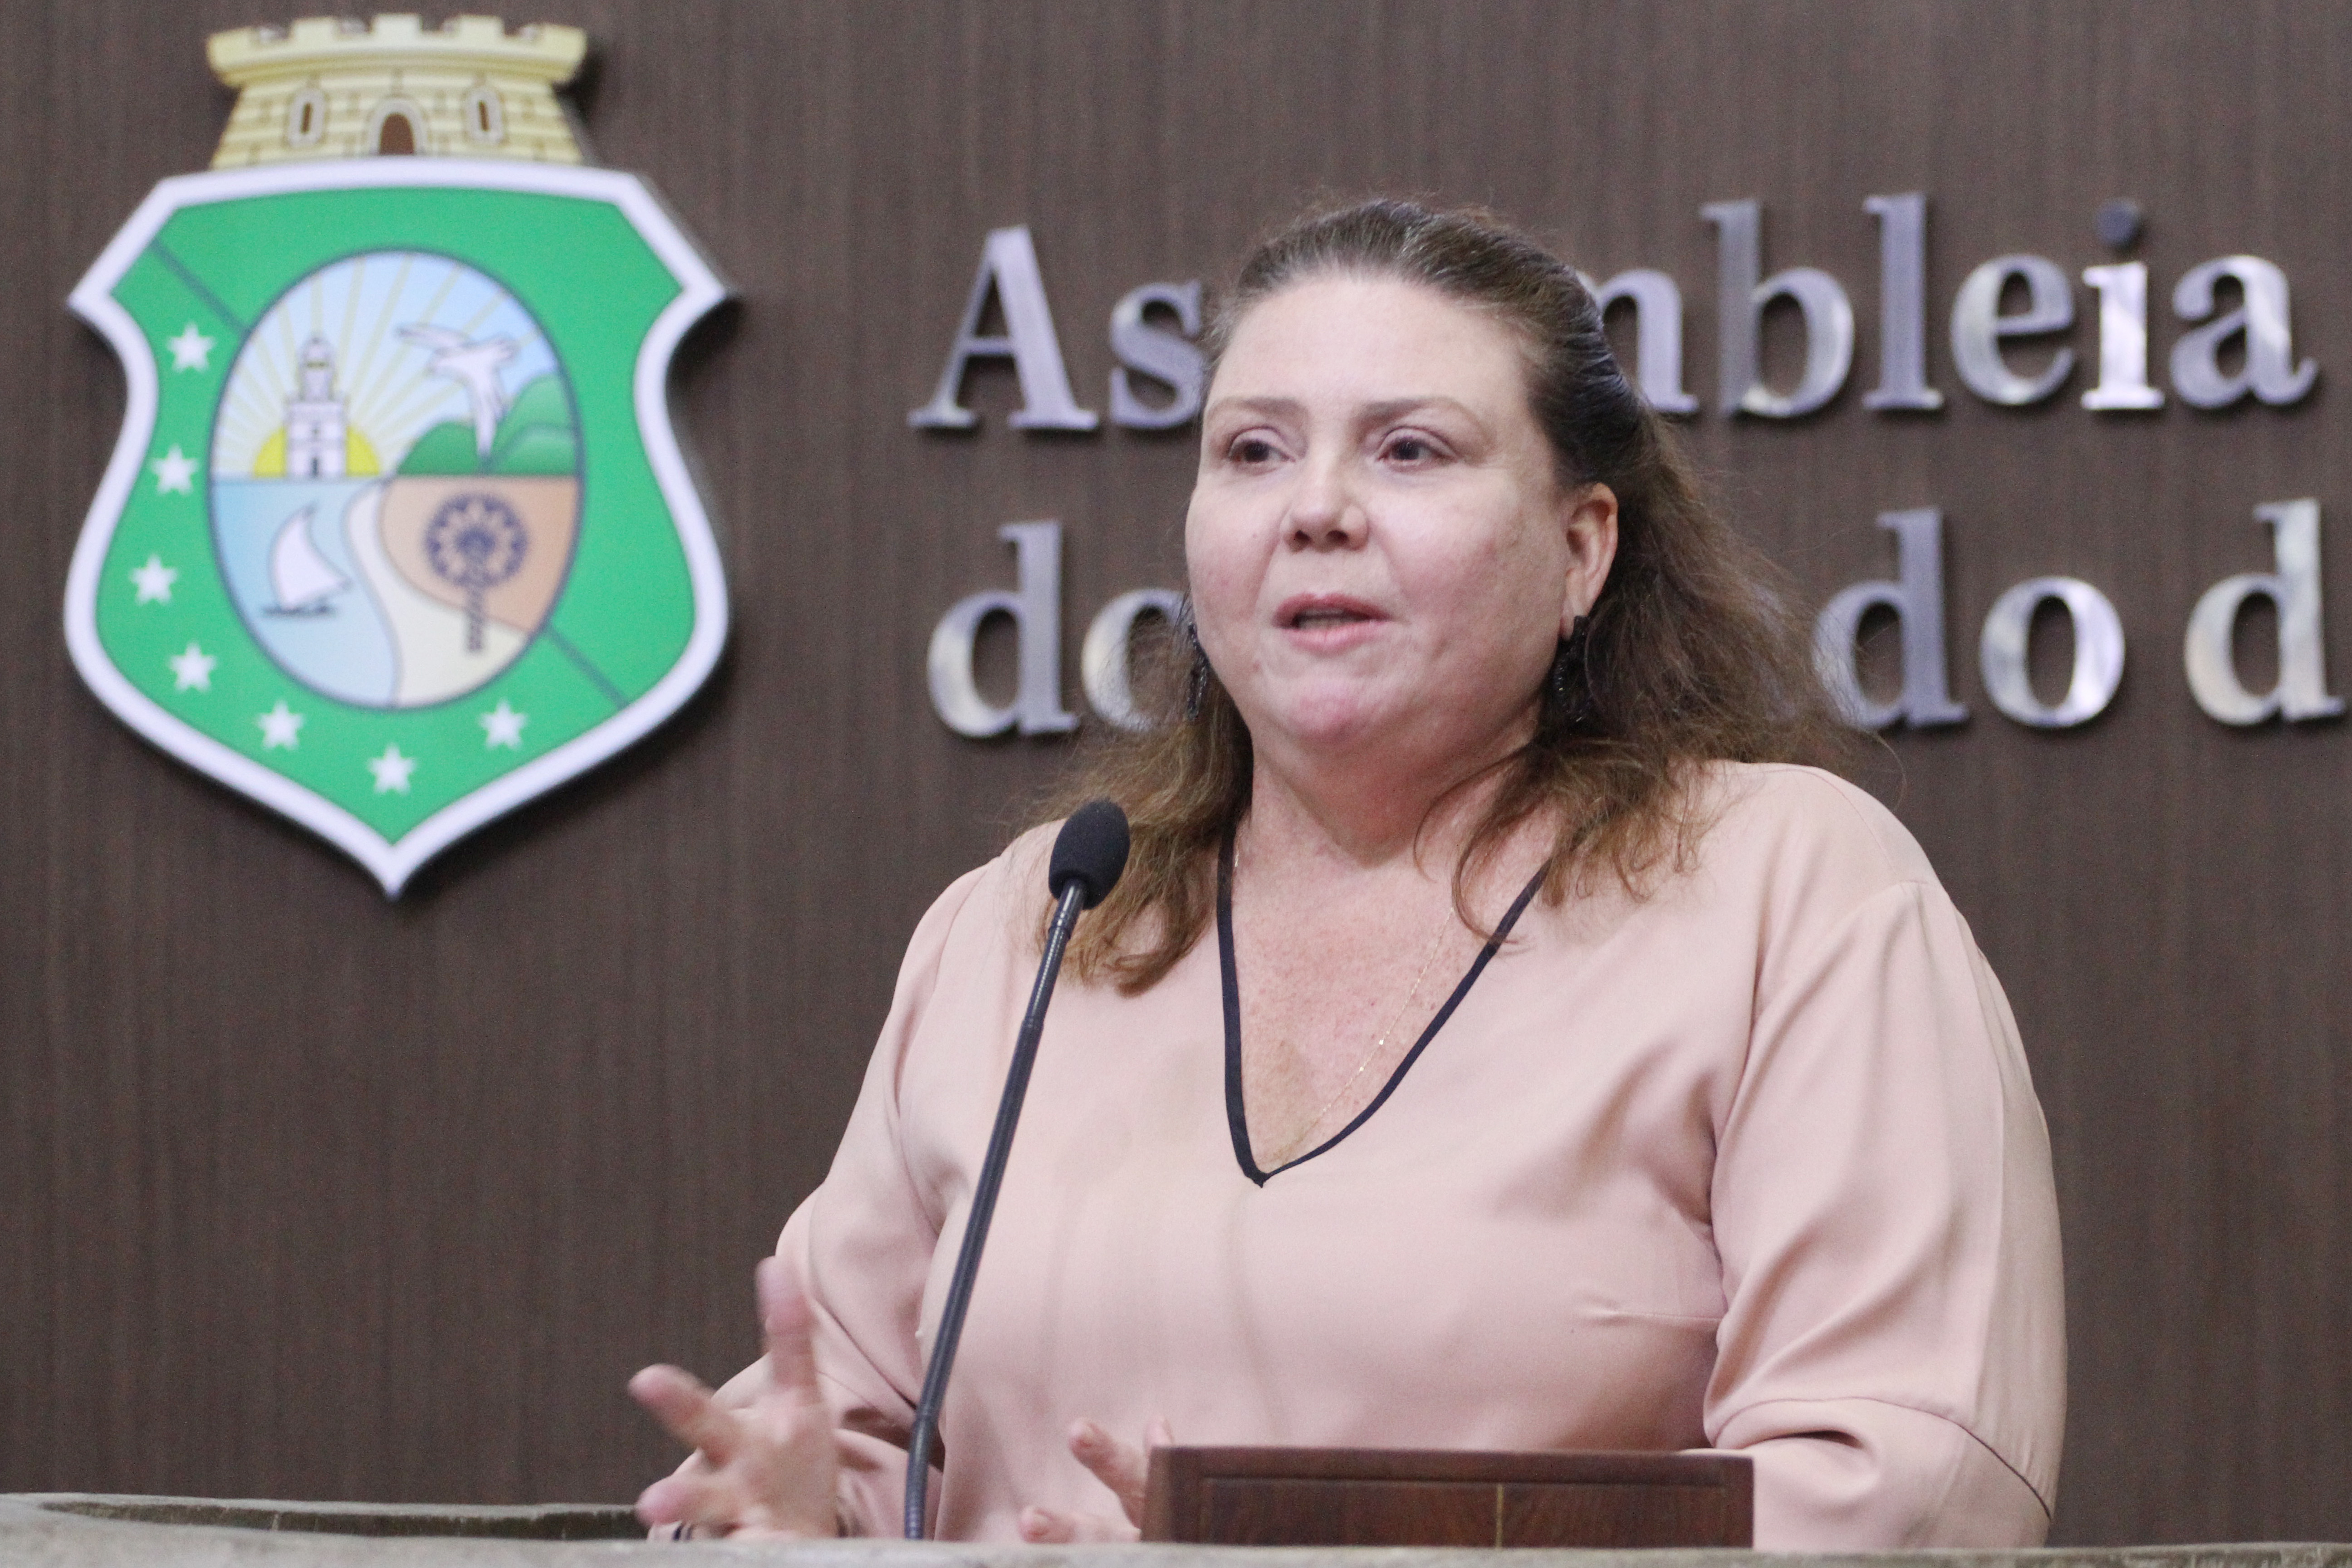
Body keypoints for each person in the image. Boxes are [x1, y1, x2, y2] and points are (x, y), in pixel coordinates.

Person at [628, 199, 2066, 1548]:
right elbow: (856, 1432)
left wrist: (1303, 1560)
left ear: (1582, 549)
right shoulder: (1037, 921)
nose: (1315, 508)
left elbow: (1901, 1489)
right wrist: (783, 1512)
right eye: (1254, 452)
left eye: (1410, 451)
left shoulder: (1790, 886)